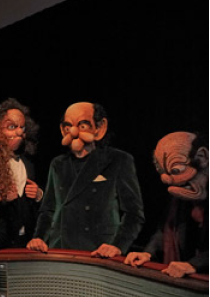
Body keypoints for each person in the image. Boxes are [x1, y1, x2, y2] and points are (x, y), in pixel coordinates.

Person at [27, 102, 145, 258]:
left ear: (99, 128)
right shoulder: (58, 164)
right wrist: (39, 238)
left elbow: (134, 214)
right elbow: (48, 209)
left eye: (82, 126)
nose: (74, 132)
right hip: (61, 250)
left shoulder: (118, 160)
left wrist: (117, 246)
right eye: (68, 127)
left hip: (99, 252)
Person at [124, 132, 207, 277]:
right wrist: (148, 254)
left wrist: (195, 264)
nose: (168, 181)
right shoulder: (181, 196)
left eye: (176, 170)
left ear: (202, 157)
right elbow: (165, 230)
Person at [0, 98, 42, 247]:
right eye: (12, 126)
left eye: (22, 127)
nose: (19, 132)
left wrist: (39, 195)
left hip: (24, 242)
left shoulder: (28, 163)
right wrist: (2, 199)